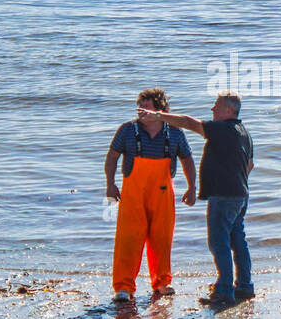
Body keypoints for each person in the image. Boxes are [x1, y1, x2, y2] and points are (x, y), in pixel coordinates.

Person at [139, 91, 254, 307]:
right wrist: (236, 178)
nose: (212, 109)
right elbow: (250, 164)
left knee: (219, 242)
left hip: (224, 195)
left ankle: (224, 291)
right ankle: (245, 287)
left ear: (229, 110)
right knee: (238, 240)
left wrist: (159, 116)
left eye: (216, 106)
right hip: (240, 194)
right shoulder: (243, 132)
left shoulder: (222, 128)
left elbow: (188, 123)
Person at [105, 88, 196, 303]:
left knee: (162, 238)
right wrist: (110, 184)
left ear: (160, 110)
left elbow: (187, 159)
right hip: (132, 194)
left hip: (163, 194)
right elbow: (112, 157)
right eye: (139, 107)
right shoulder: (127, 130)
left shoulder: (174, 133)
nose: (141, 111)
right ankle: (123, 287)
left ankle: (162, 282)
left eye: (146, 107)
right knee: (128, 239)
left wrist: (192, 187)